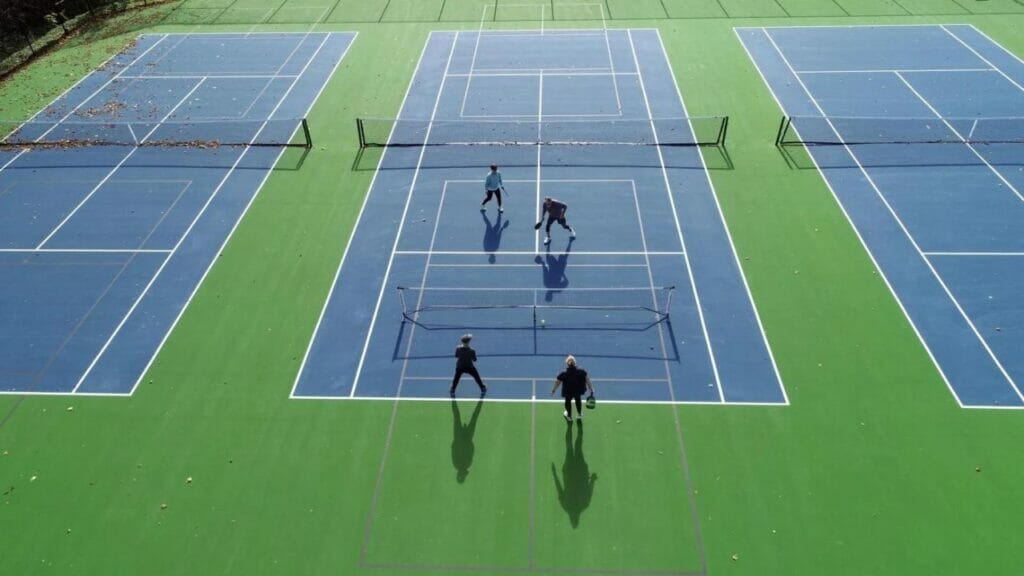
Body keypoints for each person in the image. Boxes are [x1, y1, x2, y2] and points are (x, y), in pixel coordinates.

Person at [551, 355, 593, 422]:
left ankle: (569, 416)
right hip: (578, 391)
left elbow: (557, 382)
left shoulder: (563, 373)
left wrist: (553, 390)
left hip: (568, 392)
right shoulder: (581, 371)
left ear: (567, 363)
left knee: (567, 402)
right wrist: (591, 389)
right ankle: (579, 414)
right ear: (575, 363)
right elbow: (587, 380)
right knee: (578, 400)